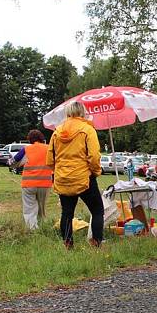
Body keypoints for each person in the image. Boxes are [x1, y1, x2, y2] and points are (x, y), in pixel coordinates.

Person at [46, 101, 104, 249]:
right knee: (97, 211)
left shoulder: (57, 132)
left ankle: (68, 244)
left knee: (67, 213)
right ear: (82, 112)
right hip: (84, 178)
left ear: (68, 113)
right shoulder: (87, 130)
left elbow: (49, 159)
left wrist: (60, 170)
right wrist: (96, 172)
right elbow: (94, 156)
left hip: (63, 178)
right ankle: (96, 243)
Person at [11, 130, 52, 230]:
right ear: (41, 138)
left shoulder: (26, 149)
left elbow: (14, 160)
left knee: (29, 208)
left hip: (29, 184)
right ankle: (43, 228)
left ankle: (32, 229)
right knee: (41, 208)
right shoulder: (48, 148)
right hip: (45, 184)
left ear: (29, 139)